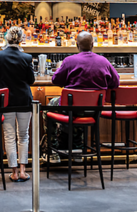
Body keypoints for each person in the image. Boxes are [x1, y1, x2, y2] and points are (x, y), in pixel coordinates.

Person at [45, 31, 120, 161]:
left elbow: (55, 80)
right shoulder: (104, 61)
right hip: (94, 110)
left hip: (71, 108)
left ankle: (52, 150)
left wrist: (59, 69)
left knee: (49, 107)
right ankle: (77, 149)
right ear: (92, 44)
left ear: (77, 45)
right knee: (79, 107)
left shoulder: (69, 61)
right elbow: (116, 83)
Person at [0, 26, 35, 182]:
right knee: (24, 136)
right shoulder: (27, 57)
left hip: (5, 101)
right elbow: (31, 80)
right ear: (21, 39)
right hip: (24, 100)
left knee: (10, 136)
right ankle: (23, 171)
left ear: (6, 38)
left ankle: (13, 172)